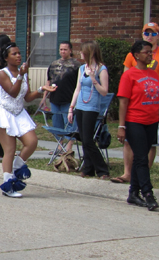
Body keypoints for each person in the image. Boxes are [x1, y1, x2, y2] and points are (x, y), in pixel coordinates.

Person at [0, 38, 55, 197]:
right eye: (14, 54)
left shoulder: (23, 74)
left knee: (32, 142)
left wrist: (41, 89)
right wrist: (20, 76)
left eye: (19, 53)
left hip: (19, 113)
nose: (18, 56)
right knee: (10, 150)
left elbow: (27, 97)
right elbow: (12, 92)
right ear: (6, 58)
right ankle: (8, 184)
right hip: (4, 113)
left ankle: (18, 165)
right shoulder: (2, 73)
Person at [112, 22, 159, 184]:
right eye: (147, 33)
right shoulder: (132, 56)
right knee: (131, 144)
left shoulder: (156, 57)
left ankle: (142, 174)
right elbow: (126, 79)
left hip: (152, 105)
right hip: (136, 108)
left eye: (153, 33)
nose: (150, 36)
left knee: (150, 145)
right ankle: (128, 174)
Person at [117, 40, 159, 210]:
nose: (150, 54)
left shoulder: (155, 74)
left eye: (151, 52)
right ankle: (148, 194)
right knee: (141, 158)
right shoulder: (129, 75)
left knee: (141, 158)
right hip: (134, 121)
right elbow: (123, 102)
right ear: (136, 55)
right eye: (146, 52)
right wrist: (121, 126)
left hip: (152, 121)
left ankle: (133, 193)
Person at [67, 41, 109, 179]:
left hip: (92, 107)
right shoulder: (82, 68)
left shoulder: (101, 69)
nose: (81, 54)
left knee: (88, 140)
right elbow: (77, 89)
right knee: (84, 138)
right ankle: (88, 168)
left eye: (83, 52)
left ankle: (102, 169)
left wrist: (93, 79)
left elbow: (104, 91)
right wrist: (71, 108)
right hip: (80, 106)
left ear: (89, 53)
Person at [47, 41, 82, 133]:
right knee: (57, 125)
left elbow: (80, 84)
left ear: (70, 50)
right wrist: (44, 98)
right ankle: (60, 145)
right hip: (55, 99)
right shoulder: (53, 64)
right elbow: (48, 81)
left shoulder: (77, 65)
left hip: (69, 99)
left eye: (65, 49)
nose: (63, 51)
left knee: (69, 123)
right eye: (61, 49)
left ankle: (69, 145)